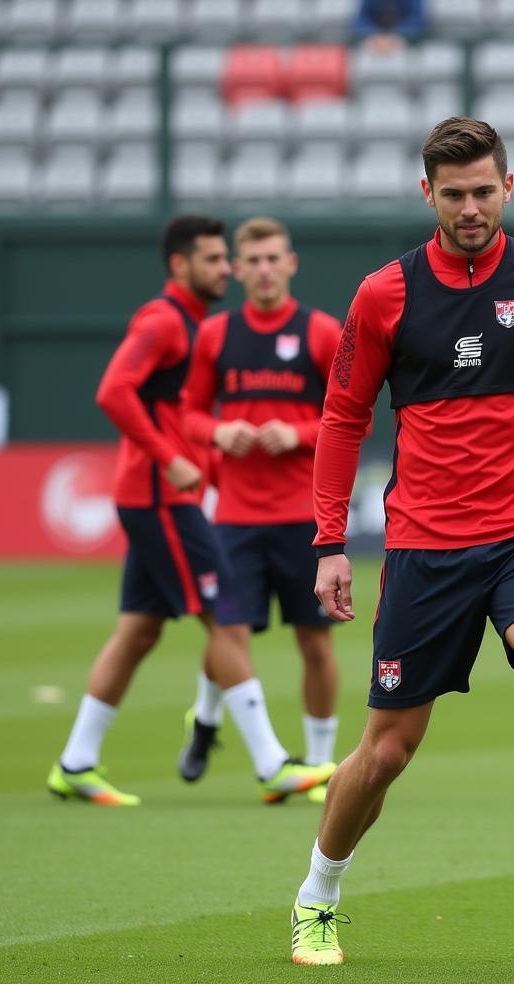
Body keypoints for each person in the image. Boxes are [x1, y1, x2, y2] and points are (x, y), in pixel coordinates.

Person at [288, 117, 514, 966]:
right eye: (455, 194)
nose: (472, 207)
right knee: (387, 751)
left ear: (508, 187)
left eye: (485, 190)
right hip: (426, 547)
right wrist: (329, 542)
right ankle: (317, 895)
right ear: (428, 196)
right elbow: (341, 419)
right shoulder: (385, 294)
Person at [48, 216, 329, 807]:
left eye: (235, 259)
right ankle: (272, 763)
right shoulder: (167, 321)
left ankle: (76, 761)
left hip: (169, 494)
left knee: (139, 630)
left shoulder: (200, 325)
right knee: (225, 618)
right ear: (180, 265)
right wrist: (172, 457)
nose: (230, 270)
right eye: (217, 260)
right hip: (162, 495)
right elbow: (112, 391)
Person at [179, 217, 342, 800]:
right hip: (236, 518)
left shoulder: (322, 332)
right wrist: (218, 433)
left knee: (314, 642)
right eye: (254, 260)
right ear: (238, 269)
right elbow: (190, 413)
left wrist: (294, 432)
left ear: (291, 263)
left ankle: (320, 768)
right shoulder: (216, 335)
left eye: (275, 258)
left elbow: (352, 416)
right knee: (227, 633)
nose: (265, 269)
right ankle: (235, 738)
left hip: (305, 516)